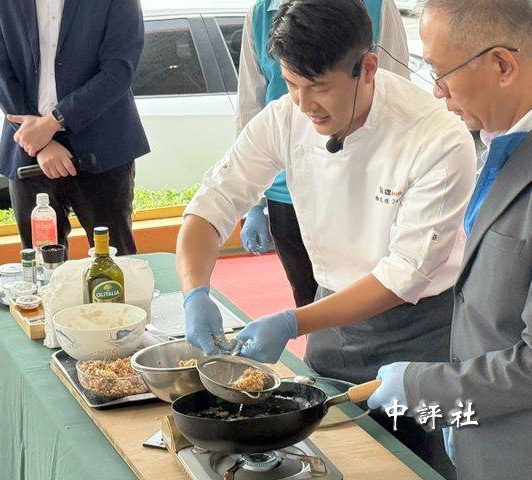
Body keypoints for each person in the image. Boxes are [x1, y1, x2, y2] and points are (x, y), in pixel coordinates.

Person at [176, 0, 476, 476]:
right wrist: (195, 292)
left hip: (423, 334)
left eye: (318, 87)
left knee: (419, 465)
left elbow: (404, 275)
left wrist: (291, 322)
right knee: (337, 458)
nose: (304, 104)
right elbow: (212, 203)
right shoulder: (285, 116)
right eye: (291, 84)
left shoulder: (437, 137)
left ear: (368, 67)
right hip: (331, 321)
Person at [367, 1, 532, 478]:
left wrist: (423, 389)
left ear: (502, 65)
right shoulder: (500, 143)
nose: (437, 91)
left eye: (442, 72)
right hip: (487, 429)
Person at [237, 0, 409, 308]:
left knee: (369, 297)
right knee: (307, 296)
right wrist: (253, 206)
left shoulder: (378, 6)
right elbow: (250, 106)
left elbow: (397, 94)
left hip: (364, 183)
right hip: (288, 190)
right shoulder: (261, 13)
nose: (304, 103)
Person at [0, 0, 149, 253]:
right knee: (40, 262)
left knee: (114, 257)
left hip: (101, 144)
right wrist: (40, 143)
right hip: (29, 148)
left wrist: (53, 122)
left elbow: (119, 69)